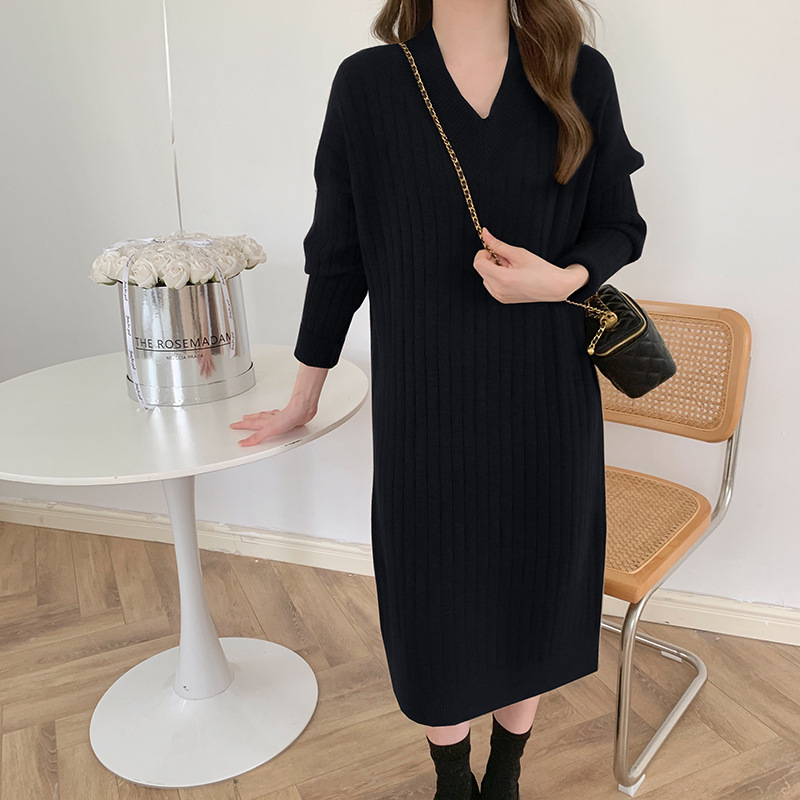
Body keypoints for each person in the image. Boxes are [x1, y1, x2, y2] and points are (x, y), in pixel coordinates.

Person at [230, 0, 647, 797]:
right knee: (435, 600)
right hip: (426, 406)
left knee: (535, 584)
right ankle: (452, 777)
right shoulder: (369, 84)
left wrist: (561, 279)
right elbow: (339, 254)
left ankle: (507, 771)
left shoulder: (577, 75)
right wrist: (303, 392)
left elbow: (619, 225)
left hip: (547, 399)